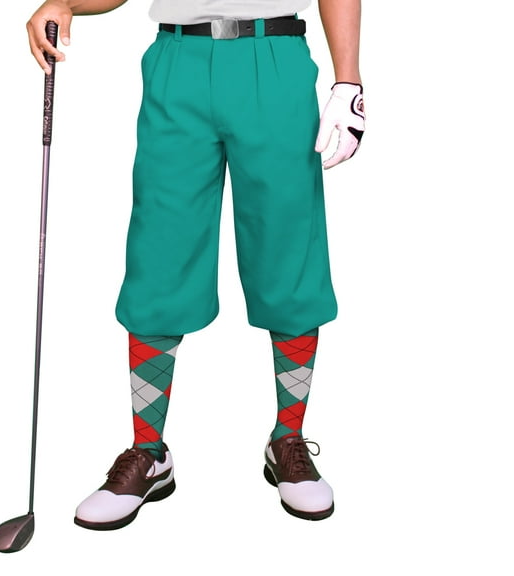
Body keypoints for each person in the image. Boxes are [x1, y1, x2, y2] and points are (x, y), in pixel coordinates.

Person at [26, 0, 365, 529]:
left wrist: (348, 82)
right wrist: (67, 3)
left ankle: (288, 440)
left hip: (274, 56)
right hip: (177, 59)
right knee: (159, 251)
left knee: (287, 247)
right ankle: (149, 452)